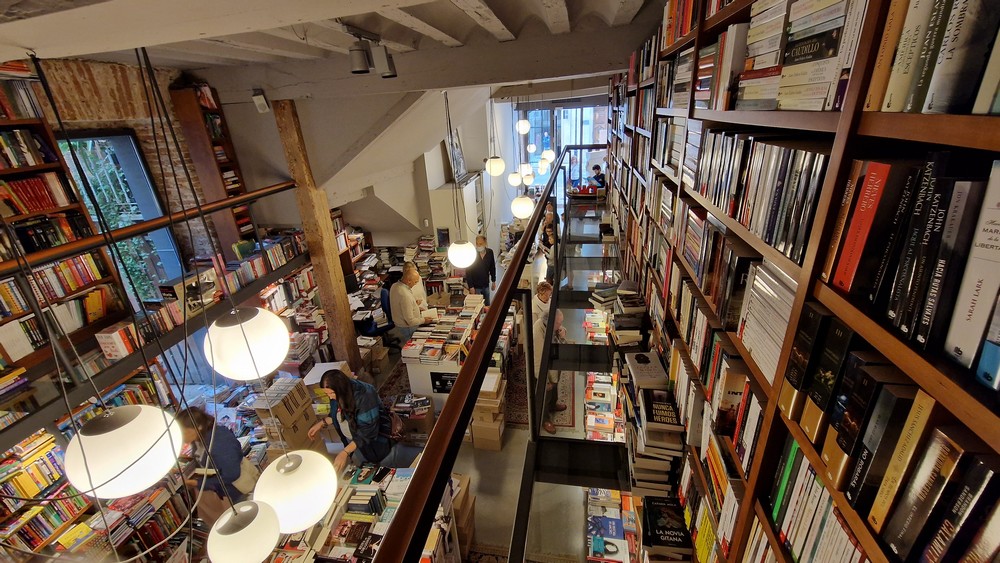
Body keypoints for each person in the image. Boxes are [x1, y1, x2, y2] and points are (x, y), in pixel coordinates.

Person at [307, 369, 420, 471]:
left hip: (376, 443)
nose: (330, 397)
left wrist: (345, 452)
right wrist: (322, 423)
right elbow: (338, 413)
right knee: (365, 465)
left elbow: (368, 432)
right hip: (356, 443)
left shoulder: (365, 395)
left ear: (341, 388)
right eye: (327, 394)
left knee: (385, 467)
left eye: (331, 393)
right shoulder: (337, 393)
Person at [177, 407, 244, 527]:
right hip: (217, 492)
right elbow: (202, 462)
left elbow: (232, 474)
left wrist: (197, 483)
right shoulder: (197, 438)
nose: (180, 436)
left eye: (183, 432)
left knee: (236, 524)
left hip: (233, 494)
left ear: (198, 427)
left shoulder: (220, 442)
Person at [532, 309, 569, 434]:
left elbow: (561, 329)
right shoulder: (537, 332)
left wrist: (563, 331)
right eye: (559, 323)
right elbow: (538, 359)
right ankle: (544, 419)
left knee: (555, 387)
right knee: (545, 395)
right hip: (544, 370)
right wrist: (545, 380)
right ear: (550, 322)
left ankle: (553, 405)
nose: (560, 325)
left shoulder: (552, 325)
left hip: (554, 364)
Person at [390, 268, 430, 343]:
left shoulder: (394, 285)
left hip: (399, 322)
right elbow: (410, 321)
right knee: (414, 344)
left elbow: (401, 304)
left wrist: (415, 306)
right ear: (409, 281)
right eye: (415, 282)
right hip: (407, 327)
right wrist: (424, 320)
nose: (415, 284)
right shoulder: (405, 295)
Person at [463, 235, 496, 305]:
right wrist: (471, 286)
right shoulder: (472, 253)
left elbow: (492, 267)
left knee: (487, 304)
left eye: (480, 244)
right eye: (477, 244)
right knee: (478, 305)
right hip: (476, 286)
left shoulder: (490, 252)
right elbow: (468, 271)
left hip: (485, 284)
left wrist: (493, 281)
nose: (479, 246)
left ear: (485, 243)